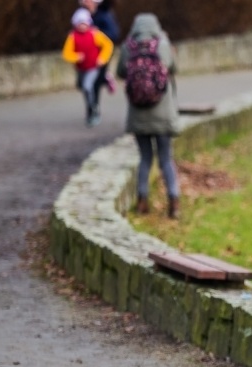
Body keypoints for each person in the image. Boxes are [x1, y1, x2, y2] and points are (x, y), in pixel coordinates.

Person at [115, 13, 181, 219]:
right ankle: (174, 202)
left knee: (144, 158)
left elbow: (120, 72)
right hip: (163, 114)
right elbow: (174, 68)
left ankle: (142, 201)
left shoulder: (128, 47)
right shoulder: (162, 44)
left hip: (138, 116)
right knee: (165, 159)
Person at [61, 8, 114, 127]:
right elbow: (66, 53)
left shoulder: (95, 34)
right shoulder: (73, 37)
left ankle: (94, 108)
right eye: (79, 23)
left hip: (93, 67)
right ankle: (104, 82)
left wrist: (102, 58)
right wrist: (76, 57)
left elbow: (108, 45)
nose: (82, 26)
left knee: (87, 86)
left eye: (84, 23)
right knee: (82, 87)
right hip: (81, 68)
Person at [79, 0, 121, 105]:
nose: (87, 3)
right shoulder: (81, 15)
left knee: (95, 83)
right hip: (85, 56)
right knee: (82, 83)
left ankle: (93, 108)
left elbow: (114, 33)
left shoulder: (104, 15)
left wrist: (98, 33)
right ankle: (105, 79)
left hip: (100, 55)